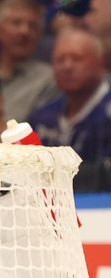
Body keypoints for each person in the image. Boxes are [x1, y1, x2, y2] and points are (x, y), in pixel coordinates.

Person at [29, 27, 111, 190]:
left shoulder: (107, 115)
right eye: (60, 60)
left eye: (77, 58)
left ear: (100, 63)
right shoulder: (41, 117)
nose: (67, 66)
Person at [0, 0, 58, 122]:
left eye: (33, 26)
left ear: (40, 34)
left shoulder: (49, 80)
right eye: (16, 23)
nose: (24, 31)